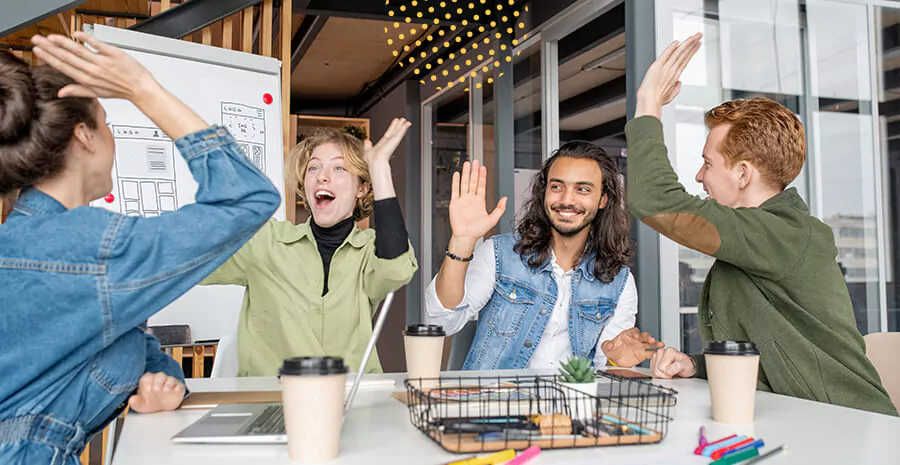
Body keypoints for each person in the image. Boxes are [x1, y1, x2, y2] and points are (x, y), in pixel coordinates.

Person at [0, 32, 281, 463]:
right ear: (84, 136)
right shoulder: (88, 248)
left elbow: (136, 350)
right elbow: (248, 196)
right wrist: (142, 89)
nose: (113, 138)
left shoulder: (28, 240)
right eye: (108, 123)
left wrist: (161, 385)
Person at [629, 34, 897, 415]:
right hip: (803, 421)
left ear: (742, 173)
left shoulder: (788, 233)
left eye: (708, 163)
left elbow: (655, 198)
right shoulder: (756, 240)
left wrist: (648, 103)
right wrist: (697, 365)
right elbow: (774, 358)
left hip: (855, 428)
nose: (699, 174)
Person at [201, 122, 418, 376]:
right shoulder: (265, 241)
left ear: (362, 188)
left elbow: (395, 271)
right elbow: (191, 262)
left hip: (351, 401)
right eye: (314, 167)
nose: (322, 176)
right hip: (271, 402)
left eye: (338, 168)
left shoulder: (370, 250)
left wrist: (379, 169)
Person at [425, 141, 663, 370]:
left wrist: (615, 362)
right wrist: (461, 242)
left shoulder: (619, 282)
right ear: (544, 192)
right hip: (493, 407)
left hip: (570, 410)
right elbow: (442, 321)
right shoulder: (500, 255)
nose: (567, 200)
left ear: (603, 200)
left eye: (582, 189)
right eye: (557, 187)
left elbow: (605, 371)